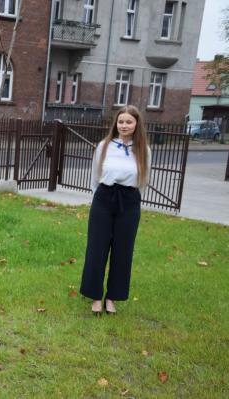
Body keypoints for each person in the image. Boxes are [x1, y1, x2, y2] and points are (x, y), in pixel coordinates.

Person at [80, 105, 151, 315]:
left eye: (129, 122)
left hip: (128, 201)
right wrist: (100, 197)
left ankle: (112, 297)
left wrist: (133, 199)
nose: (124, 125)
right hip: (104, 199)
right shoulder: (104, 146)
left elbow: (143, 180)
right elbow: (95, 175)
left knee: (123, 251)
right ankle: (94, 295)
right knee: (96, 248)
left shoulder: (143, 150)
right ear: (116, 123)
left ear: (136, 124)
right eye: (121, 121)